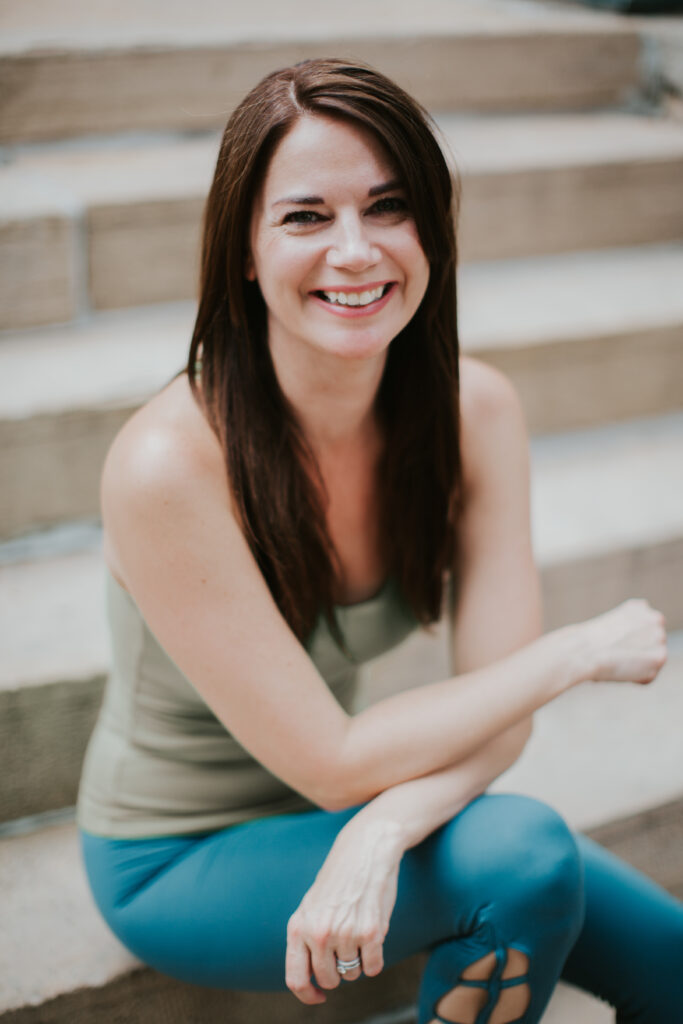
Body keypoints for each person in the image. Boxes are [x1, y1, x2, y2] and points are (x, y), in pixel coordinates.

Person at [77, 58, 683, 1024]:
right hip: (178, 854)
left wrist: (383, 824)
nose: (354, 251)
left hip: (349, 806)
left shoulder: (472, 411)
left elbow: (500, 723)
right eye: (306, 216)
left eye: (388, 207)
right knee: (523, 858)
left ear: (431, 233)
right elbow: (333, 757)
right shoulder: (168, 463)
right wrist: (574, 652)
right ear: (242, 247)